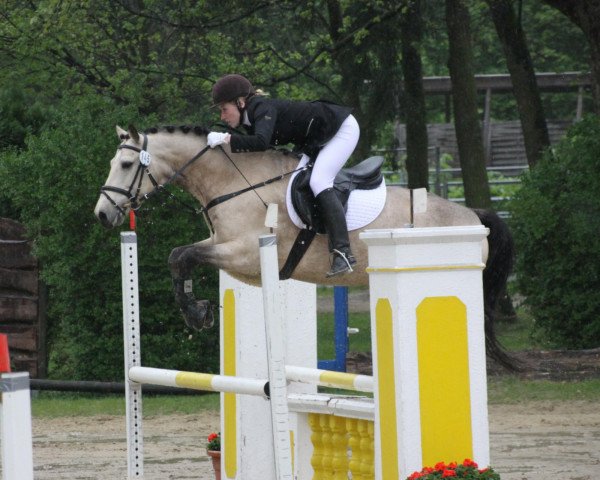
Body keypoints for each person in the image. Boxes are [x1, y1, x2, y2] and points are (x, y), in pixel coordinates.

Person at [206, 74, 360, 277]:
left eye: (224, 109)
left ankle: (343, 253)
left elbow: (261, 142)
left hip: (341, 130)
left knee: (319, 181)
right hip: (318, 138)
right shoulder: (250, 117)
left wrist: (227, 139)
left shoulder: (262, 108)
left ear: (240, 102)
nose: (222, 116)